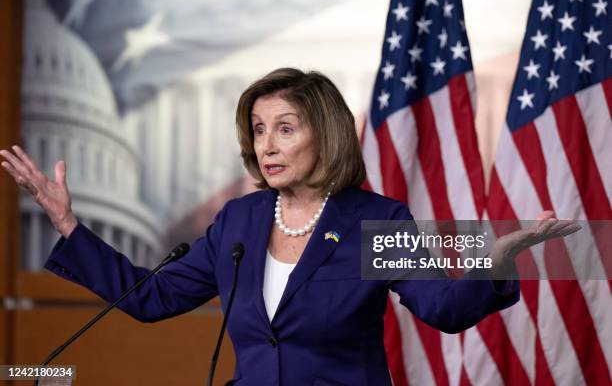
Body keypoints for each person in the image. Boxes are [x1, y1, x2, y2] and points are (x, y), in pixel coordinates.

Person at [0, 68, 579, 386]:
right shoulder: (240, 220)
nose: (266, 145)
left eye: (284, 128)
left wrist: (496, 258)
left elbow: (444, 310)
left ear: (323, 134)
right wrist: (69, 223)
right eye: (257, 129)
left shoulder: (374, 221)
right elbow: (152, 298)